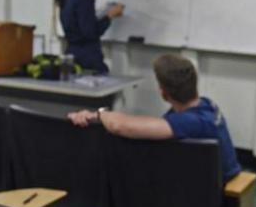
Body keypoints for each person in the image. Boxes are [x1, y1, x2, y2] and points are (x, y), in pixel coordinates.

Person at [68, 53, 241, 181]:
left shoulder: (192, 122)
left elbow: (121, 126)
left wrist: (98, 114)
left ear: (163, 94)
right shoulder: (206, 105)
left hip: (214, 195)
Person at [56, 0, 124, 73]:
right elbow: (90, 33)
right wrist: (110, 15)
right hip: (88, 58)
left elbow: (78, 23)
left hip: (73, 54)